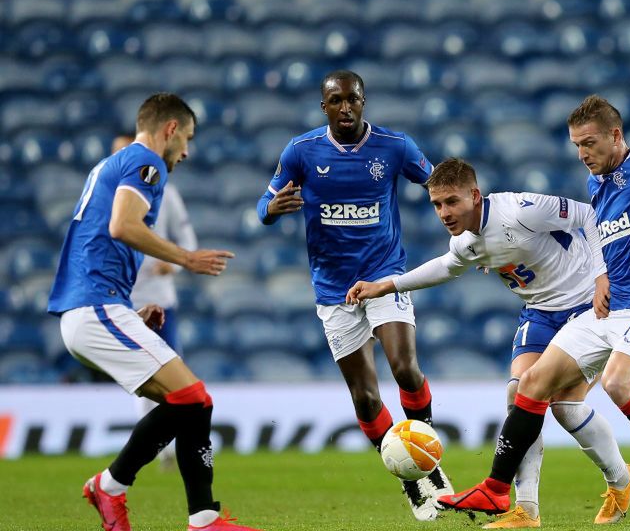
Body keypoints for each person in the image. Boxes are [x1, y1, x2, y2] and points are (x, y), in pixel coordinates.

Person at [436, 74, 630, 526]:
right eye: (577, 145)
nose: (583, 153)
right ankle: (499, 492)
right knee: (530, 385)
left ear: (616, 135)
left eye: (590, 142)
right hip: (606, 309)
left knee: (619, 384)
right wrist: (600, 275)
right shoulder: (597, 185)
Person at [348, 158, 630, 528]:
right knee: (519, 396)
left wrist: (603, 275)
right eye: (437, 204)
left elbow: (589, 214)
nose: (444, 212)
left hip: (585, 305)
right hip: (539, 312)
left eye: (452, 201)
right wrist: (385, 285)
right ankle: (527, 510)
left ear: (475, 195)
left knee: (564, 408)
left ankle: (620, 479)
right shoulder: (464, 241)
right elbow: (446, 266)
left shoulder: (520, 210)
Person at [47, 93, 259, 531]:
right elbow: (122, 226)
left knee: (194, 403)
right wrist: (186, 258)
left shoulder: (111, 164)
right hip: (93, 307)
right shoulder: (149, 162)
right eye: (187, 139)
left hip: (97, 309)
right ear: (170, 129)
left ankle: (201, 516)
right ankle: (111, 487)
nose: (186, 151)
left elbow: (98, 240)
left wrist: (127, 312)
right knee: (194, 398)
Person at [256, 69, 451, 520]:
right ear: (323, 106)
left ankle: (426, 454)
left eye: (354, 99)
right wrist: (272, 208)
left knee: (405, 369)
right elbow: (262, 205)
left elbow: (439, 183)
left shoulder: (395, 146)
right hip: (332, 289)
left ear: (365, 101)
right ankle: (412, 482)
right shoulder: (300, 152)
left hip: (384, 275)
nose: (346, 107)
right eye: (336, 100)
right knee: (365, 398)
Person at [112, 133, 199, 472]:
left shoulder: (168, 193)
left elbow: (187, 237)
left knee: (171, 371)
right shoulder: (106, 198)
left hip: (162, 300)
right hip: (123, 302)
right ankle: (157, 449)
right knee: (141, 379)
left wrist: (174, 263)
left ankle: (168, 447)